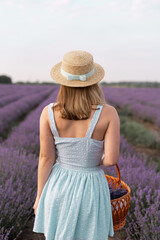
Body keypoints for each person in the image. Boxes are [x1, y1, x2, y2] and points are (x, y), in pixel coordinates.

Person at [32, 50, 120, 240]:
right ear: (94, 81)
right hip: (91, 187)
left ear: (63, 81)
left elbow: (46, 158)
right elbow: (111, 159)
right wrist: (91, 155)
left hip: (58, 185)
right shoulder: (109, 113)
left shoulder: (48, 112)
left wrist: (40, 196)